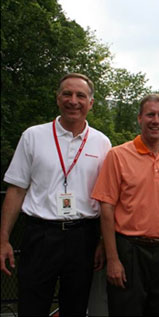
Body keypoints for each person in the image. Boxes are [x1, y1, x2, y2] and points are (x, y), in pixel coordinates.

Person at [0, 73, 111, 316]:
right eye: (67, 94)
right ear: (57, 98)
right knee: (32, 305)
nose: (74, 100)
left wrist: (103, 241)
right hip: (40, 235)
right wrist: (4, 239)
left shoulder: (102, 143)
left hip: (83, 237)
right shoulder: (33, 136)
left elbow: (106, 199)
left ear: (90, 103)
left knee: (76, 307)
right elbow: (17, 189)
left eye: (81, 95)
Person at [91, 93, 159, 316]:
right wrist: (113, 259)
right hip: (129, 251)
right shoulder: (117, 156)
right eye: (150, 115)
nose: (156, 120)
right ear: (139, 118)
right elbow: (106, 208)